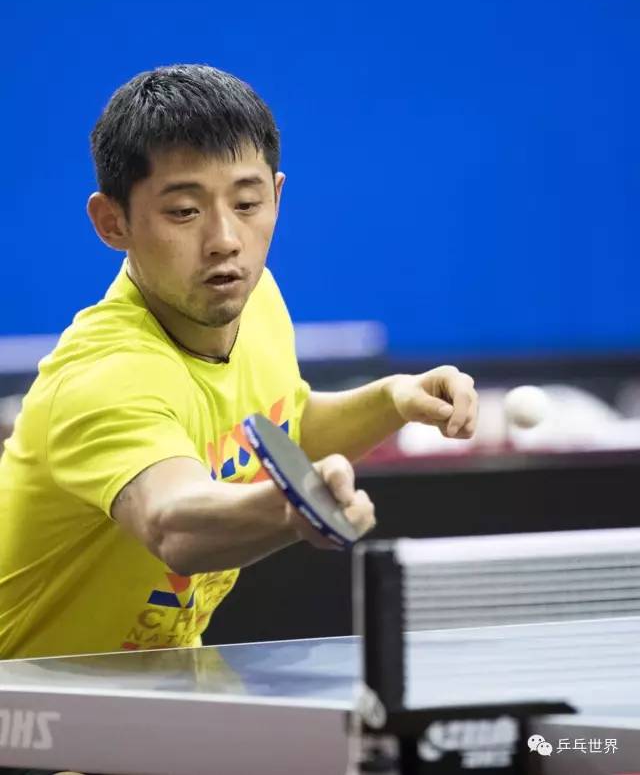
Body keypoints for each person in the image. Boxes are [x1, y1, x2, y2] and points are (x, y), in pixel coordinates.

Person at [0, 64, 478, 667]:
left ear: (277, 196)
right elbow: (172, 523)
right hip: (29, 706)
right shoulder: (104, 374)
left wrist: (393, 401)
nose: (225, 239)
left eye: (247, 203)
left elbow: (280, 430)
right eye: (184, 211)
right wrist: (293, 507)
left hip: (160, 685)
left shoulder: (257, 304)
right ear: (112, 222)